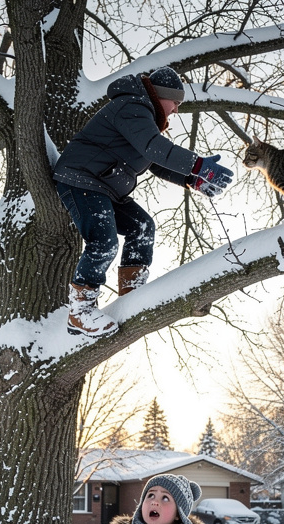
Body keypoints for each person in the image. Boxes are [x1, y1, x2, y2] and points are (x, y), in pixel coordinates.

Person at [53, 67, 234, 337]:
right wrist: (197, 165)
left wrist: (192, 180)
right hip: (81, 179)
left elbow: (155, 163)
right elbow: (154, 148)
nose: (175, 110)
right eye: (176, 103)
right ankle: (80, 311)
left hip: (103, 186)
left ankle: (131, 294)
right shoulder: (132, 106)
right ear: (162, 96)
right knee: (104, 242)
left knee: (142, 226)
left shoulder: (142, 116)